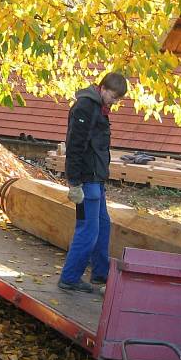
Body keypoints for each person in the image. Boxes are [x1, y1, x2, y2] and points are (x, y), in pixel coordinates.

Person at [58, 72, 128, 293]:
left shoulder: (99, 108)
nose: (115, 102)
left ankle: (101, 273)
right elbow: (75, 146)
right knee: (88, 229)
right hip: (86, 180)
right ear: (103, 88)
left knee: (103, 225)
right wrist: (74, 182)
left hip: (97, 179)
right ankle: (70, 277)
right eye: (114, 97)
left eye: (118, 99)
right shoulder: (85, 107)